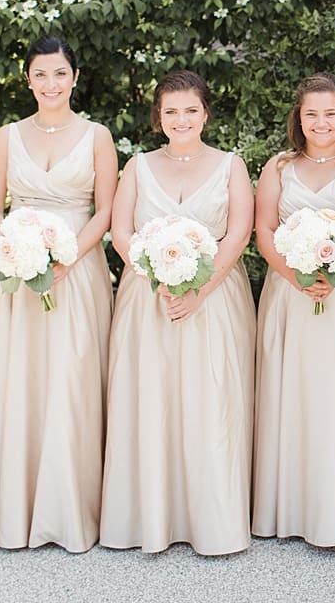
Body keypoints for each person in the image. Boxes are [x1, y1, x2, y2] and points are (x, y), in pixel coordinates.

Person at [99, 71, 255, 555]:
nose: (181, 119)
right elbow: (121, 230)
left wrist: (199, 289)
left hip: (214, 301)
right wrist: (155, 275)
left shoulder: (231, 165)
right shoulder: (138, 166)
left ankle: (213, 520)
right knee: (151, 399)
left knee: (210, 400)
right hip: (149, 299)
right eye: (171, 111)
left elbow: (238, 234)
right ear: (158, 117)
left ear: (205, 113)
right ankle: (149, 516)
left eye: (190, 110)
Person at [0, 36, 116, 552]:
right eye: (41, 74)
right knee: (20, 378)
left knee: (72, 378)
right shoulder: (7, 137)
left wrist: (67, 257)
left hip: (77, 268)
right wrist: (15, 248)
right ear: (28, 79)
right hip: (17, 269)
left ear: (74, 78)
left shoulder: (98, 135)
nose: (51, 83)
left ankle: (72, 506)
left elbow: (104, 210)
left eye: (60, 74)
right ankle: (15, 505)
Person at [251, 72, 335, 547]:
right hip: (291, 293)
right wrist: (296, 275)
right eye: (312, 113)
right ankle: (291, 505)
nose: (321, 121)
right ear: (299, 117)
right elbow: (264, 230)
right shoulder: (279, 167)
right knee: (293, 389)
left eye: (330, 113)